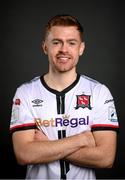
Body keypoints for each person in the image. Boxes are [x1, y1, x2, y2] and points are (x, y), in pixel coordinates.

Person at [10, 14, 119, 180]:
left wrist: (46, 147)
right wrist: (81, 139)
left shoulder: (99, 92)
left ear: (81, 48)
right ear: (45, 47)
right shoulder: (25, 93)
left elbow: (106, 158)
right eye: (56, 42)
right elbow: (24, 154)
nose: (64, 49)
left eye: (71, 43)